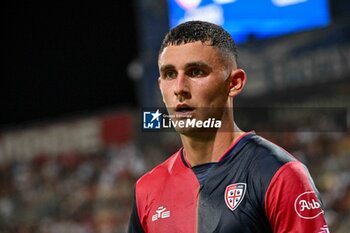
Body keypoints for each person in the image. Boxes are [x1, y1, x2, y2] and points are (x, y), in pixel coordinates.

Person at [128, 21, 329, 233]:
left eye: (196, 72)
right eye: (169, 74)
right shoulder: (147, 189)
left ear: (234, 83)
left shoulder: (279, 174)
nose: (179, 88)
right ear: (160, 85)